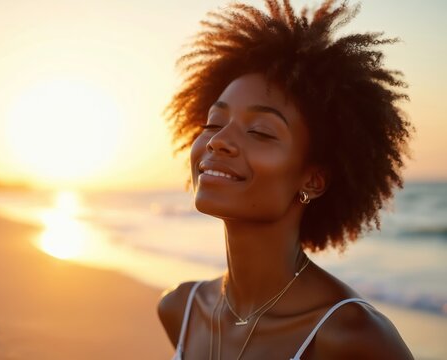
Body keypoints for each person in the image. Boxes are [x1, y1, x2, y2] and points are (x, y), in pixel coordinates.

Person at [157, 0, 415, 359]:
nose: (217, 140)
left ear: (313, 180)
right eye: (214, 123)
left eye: (260, 132)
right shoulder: (180, 309)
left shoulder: (350, 336)